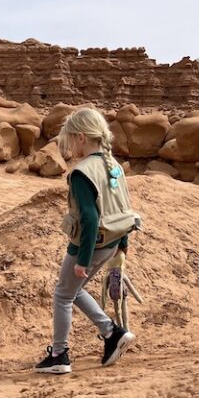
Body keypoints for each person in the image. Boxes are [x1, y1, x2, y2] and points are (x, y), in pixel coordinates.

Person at [35, 108, 141, 374]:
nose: (69, 145)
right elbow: (122, 206)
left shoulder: (83, 172)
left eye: (71, 138)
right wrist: (123, 244)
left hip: (91, 244)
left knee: (62, 295)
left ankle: (59, 355)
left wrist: (81, 259)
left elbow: (91, 219)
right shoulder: (112, 164)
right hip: (113, 241)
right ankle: (111, 333)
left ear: (82, 137)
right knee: (74, 290)